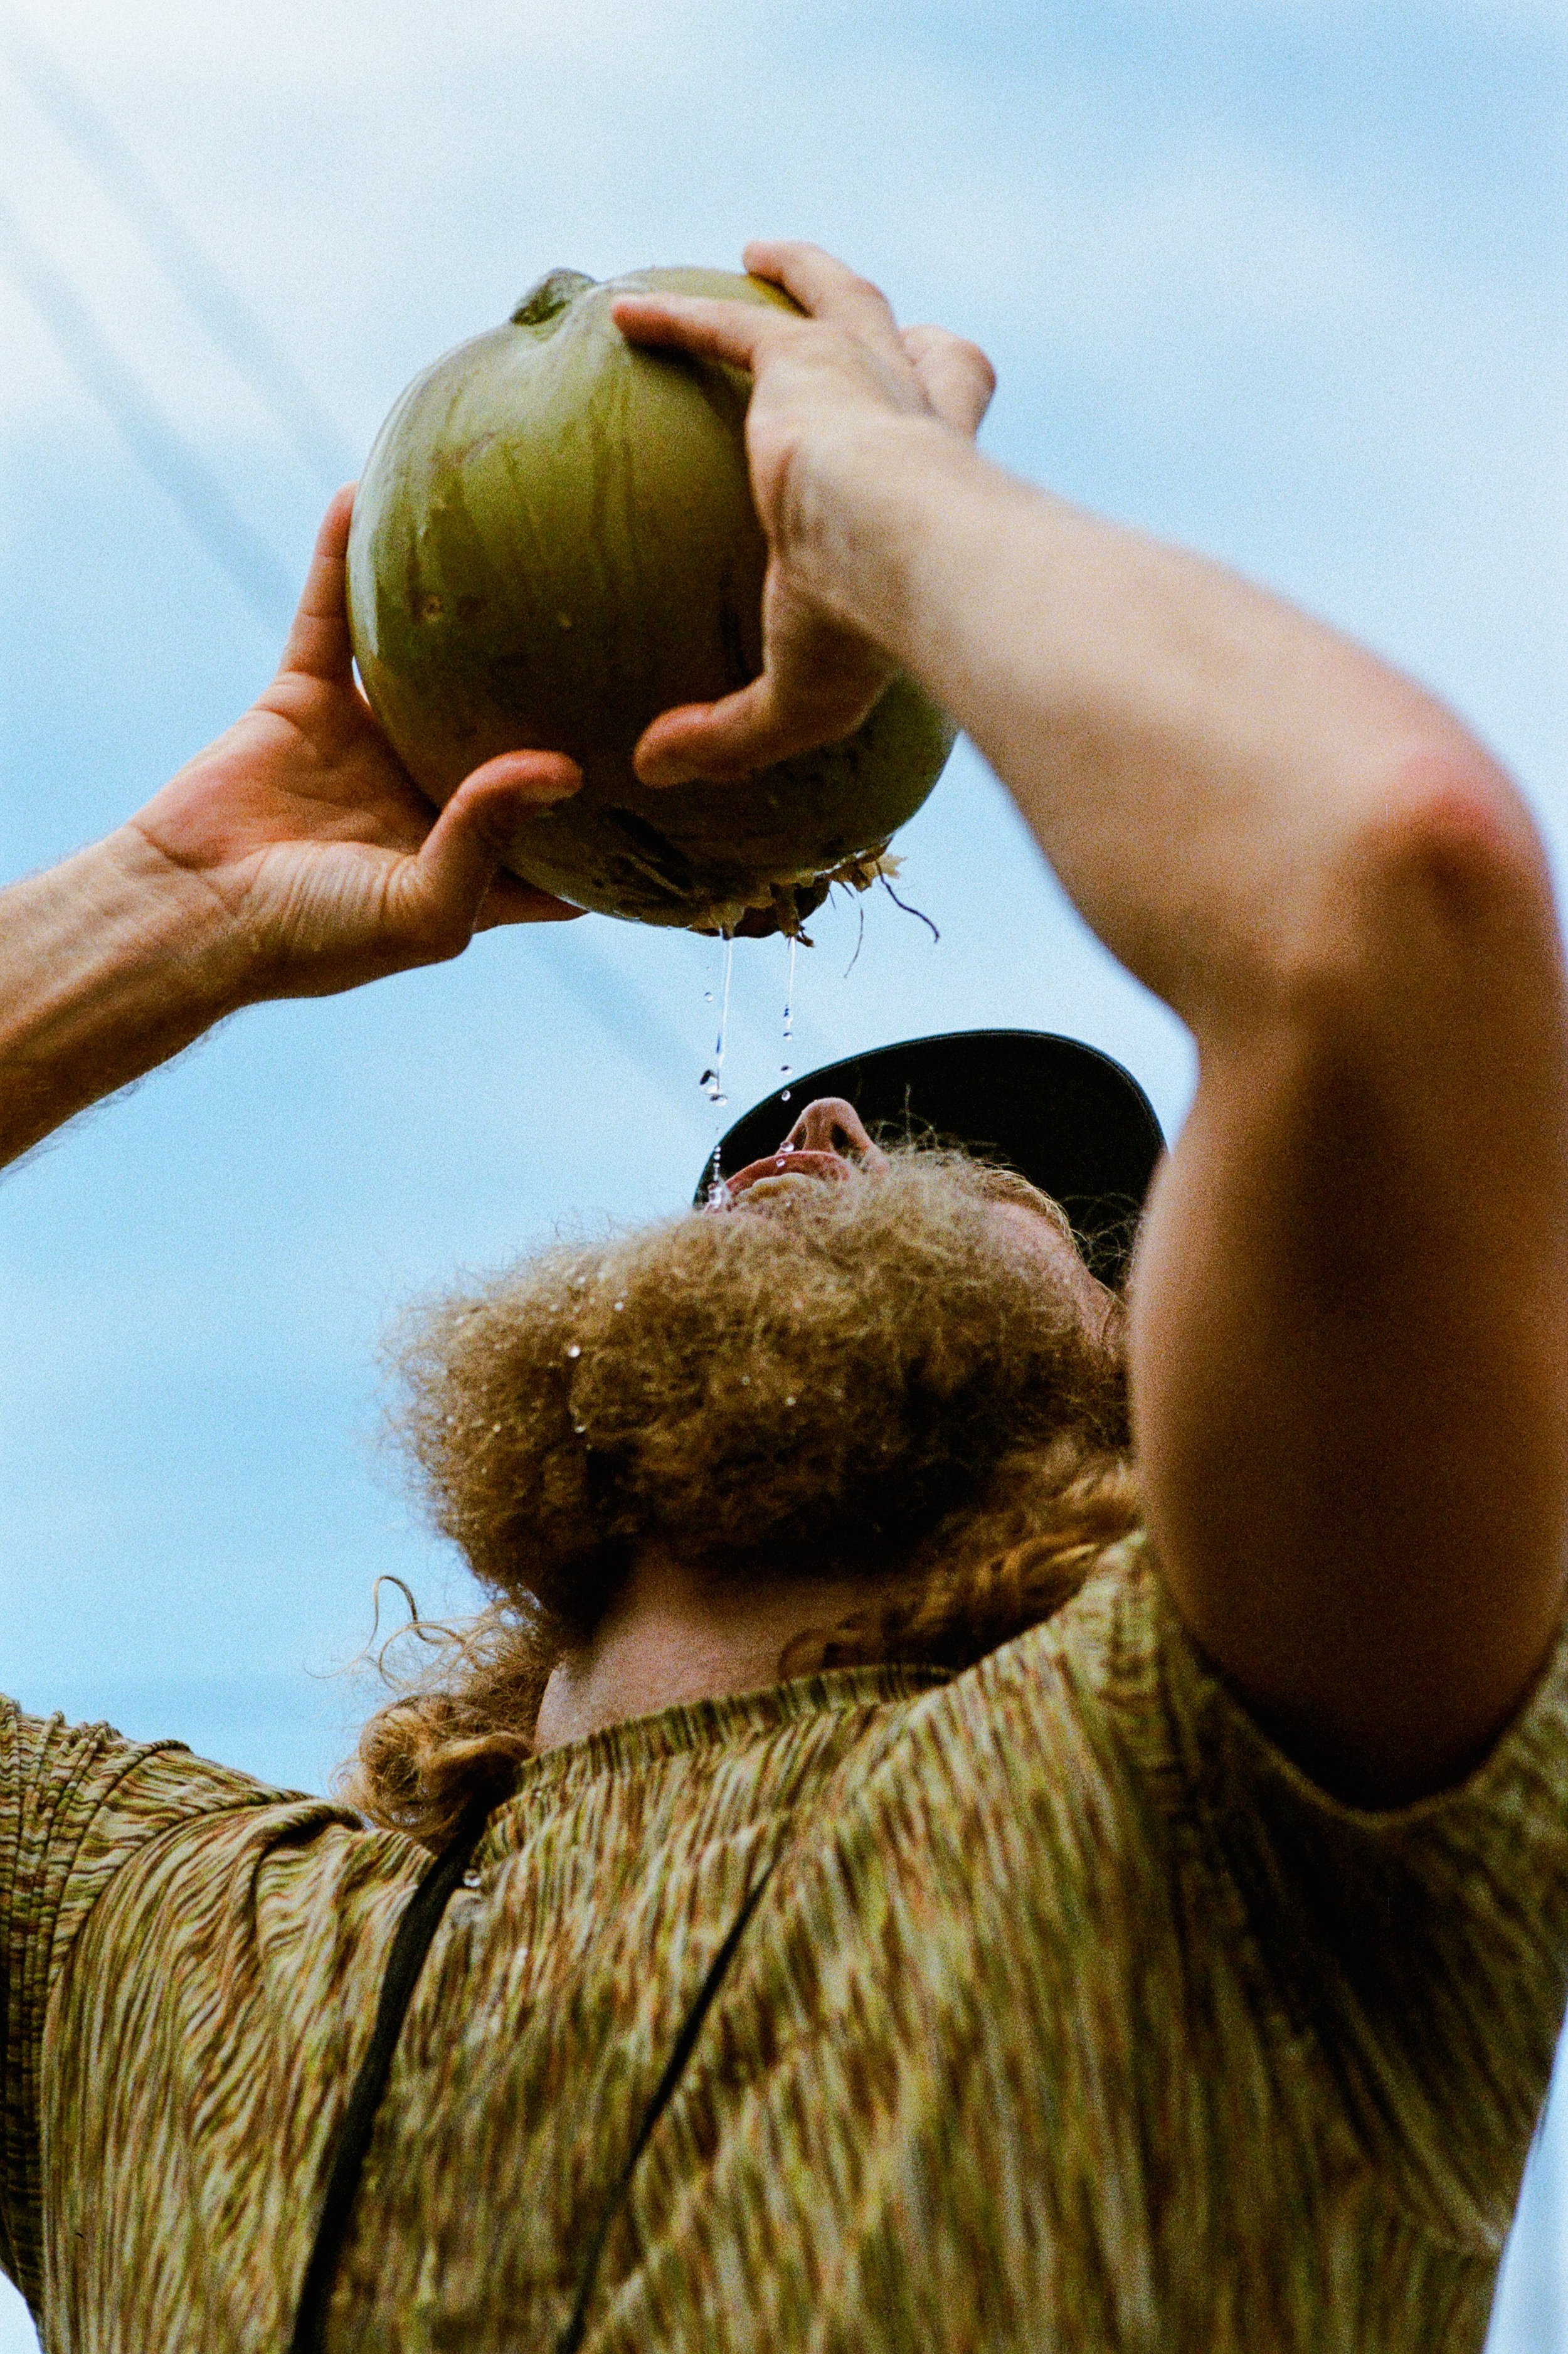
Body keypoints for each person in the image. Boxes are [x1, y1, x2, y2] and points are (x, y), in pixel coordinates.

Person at [1, 240, 1565, 2353]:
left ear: (1142, 1396)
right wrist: (168, 905)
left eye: (972, 1172)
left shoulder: (1240, 1809)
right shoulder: (149, 1956)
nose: (822, 1128)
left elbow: (1380, 883)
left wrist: (880, 509)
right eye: (806, 1128)